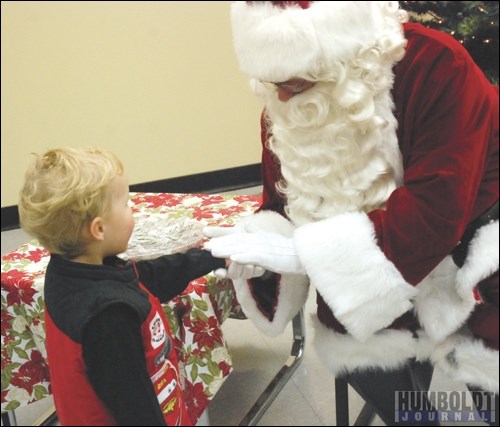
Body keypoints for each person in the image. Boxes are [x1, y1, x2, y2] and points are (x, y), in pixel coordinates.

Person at [204, 1, 499, 425]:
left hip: (475, 255)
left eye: (296, 82)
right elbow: (280, 200)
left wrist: (306, 254)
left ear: (343, 56)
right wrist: (262, 247)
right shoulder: (288, 99)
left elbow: (436, 212)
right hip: (370, 273)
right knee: (392, 394)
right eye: (273, 83)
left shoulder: (437, 64)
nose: (282, 97)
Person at [18, 147, 226, 426]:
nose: (133, 211)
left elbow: (150, 278)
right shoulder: (108, 317)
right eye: (127, 203)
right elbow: (135, 409)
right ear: (99, 229)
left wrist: (211, 256)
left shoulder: (76, 269)